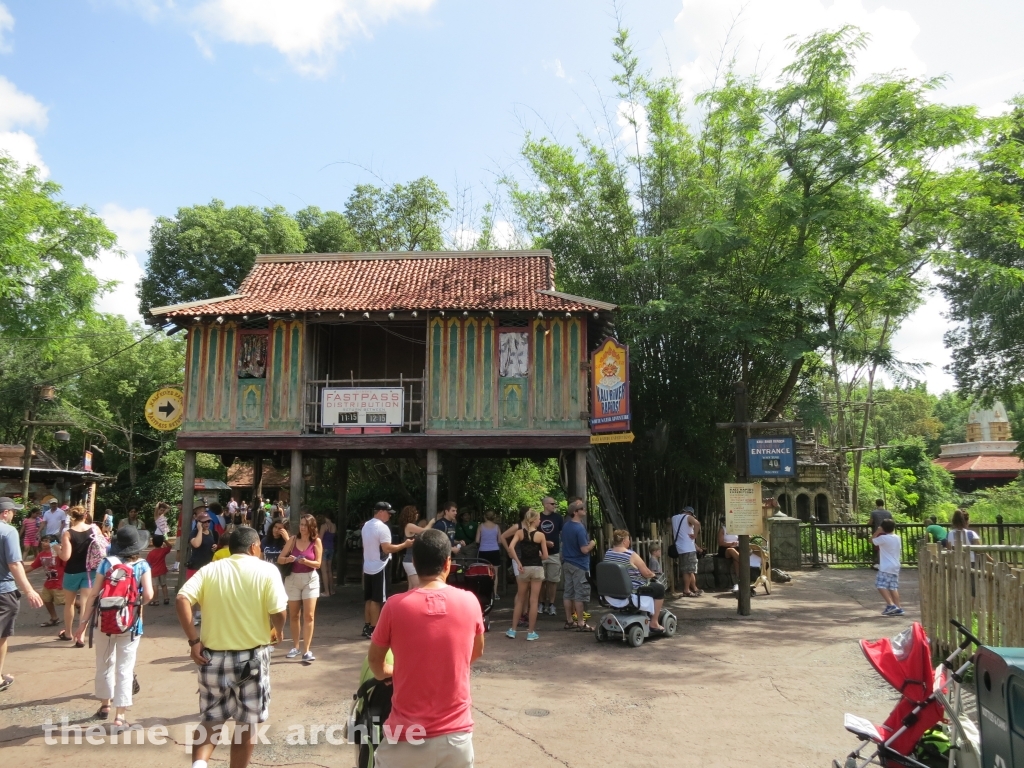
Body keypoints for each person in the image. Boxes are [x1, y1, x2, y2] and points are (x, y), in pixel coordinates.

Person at [368, 529, 485, 768]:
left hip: (406, 737)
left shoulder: (394, 606)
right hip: (456, 737)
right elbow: (476, 652)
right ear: (448, 563)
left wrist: (392, 672)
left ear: (414, 563)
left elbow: (376, 664)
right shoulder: (470, 602)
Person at [176, 526, 288, 768]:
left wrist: (194, 640)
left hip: (211, 658)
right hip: (251, 660)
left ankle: (199, 765)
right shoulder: (267, 570)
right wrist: (277, 630)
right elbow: (279, 611)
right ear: (253, 547)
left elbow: (182, 598)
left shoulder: (210, 570)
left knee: (211, 719)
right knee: (246, 724)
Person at [81, 526, 154, 727]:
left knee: (104, 663)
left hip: (103, 621)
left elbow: (94, 594)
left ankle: (105, 705)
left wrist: (83, 623)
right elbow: (149, 595)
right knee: (125, 668)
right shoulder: (143, 566)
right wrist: (134, 603)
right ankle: (120, 716)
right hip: (130, 624)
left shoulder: (106, 563)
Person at [0, 497, 44, 693]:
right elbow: (15, 564)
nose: (14, 515)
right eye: (13, 511)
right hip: (4, 591)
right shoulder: (7, 531)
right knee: (1, 636)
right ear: (5, 512)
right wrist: (29, 590)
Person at [361, 502, 413, 640]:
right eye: (388, 513)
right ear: (380, 512)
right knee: (377, 600)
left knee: (369, 598)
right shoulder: (382, 528)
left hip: (368, 565)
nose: (390, 515)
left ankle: (367, 626)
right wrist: (405, 545)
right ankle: (374, 628)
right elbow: (387, 548)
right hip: (380, 566)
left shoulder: (366, 525)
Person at [603, 529, 667, 631]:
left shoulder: (608, 553)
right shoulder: (631, 555)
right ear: (624, 540)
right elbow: (646, 573)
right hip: (632, 590)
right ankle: (654, 622)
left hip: (613, 591)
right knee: (659, 589)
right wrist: (653, 574)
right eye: (628, 539)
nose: (629, 541)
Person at [277, 514, 322, 661]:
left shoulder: (316, 542)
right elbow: (280, 559)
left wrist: (306, 562)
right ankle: (295, 646)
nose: (302, 528)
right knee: (294, 614)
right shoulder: (292, 540)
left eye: (305, 525)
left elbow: (318, 563)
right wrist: (288, 559)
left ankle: (306, 650)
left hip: (310, 579)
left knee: (309, 615)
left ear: (311, 527)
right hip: (293, 579)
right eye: (301, 524)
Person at [60, 505, 100, 646]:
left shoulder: (68, 533)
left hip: (72, 571)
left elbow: (65, 557)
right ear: (85, 516)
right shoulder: (94, 529)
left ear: (72, 517)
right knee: (85, 603)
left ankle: (68, 633)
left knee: (69, 603)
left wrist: (56, 548)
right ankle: (81, 635)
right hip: (90, 570)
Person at [506, 508, 547, 641]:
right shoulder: (540, 535)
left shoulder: (519, 532)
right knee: (534, 600)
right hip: (536, 568)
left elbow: (511, 547)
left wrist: (518, 562)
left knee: (520, 599)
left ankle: (513, 630)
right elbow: (545, 556)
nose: (540, 520)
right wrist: (539, 555)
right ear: (534, 521)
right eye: (539, 518)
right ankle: (531, 632)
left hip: (524, 568)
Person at [561, 499, 597, 632]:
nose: (584, 510)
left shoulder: (566, 526)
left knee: (568, 592)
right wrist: (592, 544)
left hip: (567, 562)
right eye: (582, 508)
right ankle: (581, 622)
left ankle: (569, 620)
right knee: (579, 594)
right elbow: (584, 550)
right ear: (575, 512)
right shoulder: (579, 528)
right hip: (579, 564)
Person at [25, 533, 65, 626]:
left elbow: (67, 566)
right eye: (43, 541)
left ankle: (79, 604)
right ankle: (54, 618)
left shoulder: (59, 554)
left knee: (63, 601)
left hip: (59, 582)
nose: (43, 543)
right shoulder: (41, 555)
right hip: (49, 582)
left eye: (46, 541)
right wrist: (21, 573)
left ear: (54, 543)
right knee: (46, 599)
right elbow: (33, 566)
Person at [397, 506, 435, 589]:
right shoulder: (409, 525)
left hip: (410, 560)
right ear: (411, 514)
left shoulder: (408, 526)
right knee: (417, 587)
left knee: (411, 588)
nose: (417, 515)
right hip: (410, 561)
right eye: (415, 513)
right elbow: (423, 530)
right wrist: (431, 522)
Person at [872, 519, 903, 616]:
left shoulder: (883, 538)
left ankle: (891, 605)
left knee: (880, 585)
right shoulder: (897, 537)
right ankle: (898, 607)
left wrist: (877, 531)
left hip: (886, 566)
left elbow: (872, 540)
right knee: (893, 587)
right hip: (895, 565)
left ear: (883, 528)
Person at [537, 496, 563, 616]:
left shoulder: (558, 518)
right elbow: (532, 534)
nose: (554, 505)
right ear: (545, 505)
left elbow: (562, 534)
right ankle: (541, 603)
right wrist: (544, 543)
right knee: (541, 581)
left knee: (553, 580)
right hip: (540, 554)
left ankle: (551, 604)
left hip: (554, 553)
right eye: (552, 504)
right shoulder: (538, 518)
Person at [671, 505, 702, 597]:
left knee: (688, 569)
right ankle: (686, 590)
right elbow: (697, 523)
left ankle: (694, 588)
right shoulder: (688, 517)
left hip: (680, 547)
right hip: (688, 548)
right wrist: (695, 535)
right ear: (690, 513)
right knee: (687, 571)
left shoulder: (674, 518)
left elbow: (668, 522)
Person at [474, 511, 502, 597]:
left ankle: (484, 592)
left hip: (483, 551)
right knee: (495, 573)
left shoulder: (481, 526)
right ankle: (495, 593)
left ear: (485, 517)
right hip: (494, 551)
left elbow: (477, 540)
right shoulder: (497, 527)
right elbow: (500, 540)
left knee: (483, 572)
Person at [187, 509, 216, 579]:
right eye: (204, 522)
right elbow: (196, 544)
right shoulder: (194, 533)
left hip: (207, 567)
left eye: (208, 521)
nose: (207, 523)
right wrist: (200, 530)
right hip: (196, 567)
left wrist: (215, 547)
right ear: (199, 523)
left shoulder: (210, 532)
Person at [146, 535, 174, 605]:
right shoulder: (163, 551)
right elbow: (170, 546)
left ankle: (156, 600)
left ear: (153, 543)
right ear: (161, 543)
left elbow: (147, 562)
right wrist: (165, 540)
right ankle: (166, 598)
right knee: (164, 584)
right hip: (162, 570)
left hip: (154, 571)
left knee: (155, 586)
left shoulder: (151, 553)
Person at [316, 515, 337, 597]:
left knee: (324, 571)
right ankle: (332, 590)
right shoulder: (334, 525)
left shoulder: (324, 526)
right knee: (330, 570)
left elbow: (320, 539)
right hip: (331, 548)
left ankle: (326, 591)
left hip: (324, 548)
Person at [869, 499, 893, 569]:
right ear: (883, 504)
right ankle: (886, 563)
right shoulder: (888, 513)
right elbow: (892, 521)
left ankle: (878, 564)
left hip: (878, 532)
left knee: (877, 549)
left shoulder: (874, 513)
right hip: (887, 533)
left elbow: (870, 522)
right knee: (886, 549)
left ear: (876, 504)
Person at [718, 521, 741, 590]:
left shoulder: (736, 529)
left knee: (735, 560)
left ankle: (739, 579)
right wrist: (731, 543)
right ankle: (744, 562)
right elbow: (721, 543)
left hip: (736, 548)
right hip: (725, 549)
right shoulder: (723, 529)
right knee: (731, 550)